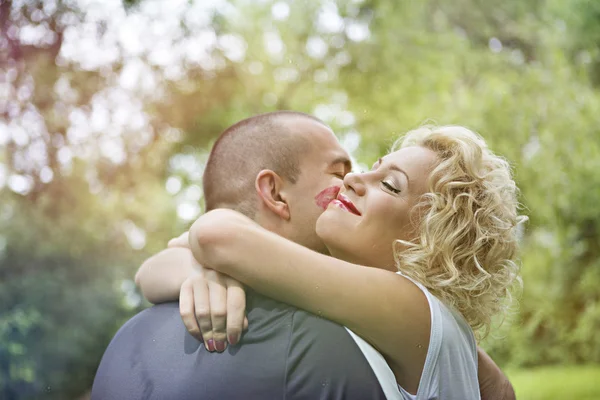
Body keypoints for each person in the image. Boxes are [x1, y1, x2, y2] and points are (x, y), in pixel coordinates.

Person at [141, 123, 524, 399]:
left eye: (390, 185)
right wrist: (201, 272)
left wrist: (210, 258)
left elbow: (215, 236)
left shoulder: (413, 309)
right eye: (372, 166)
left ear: (429, 240)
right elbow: (149, 272)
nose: (355, 179)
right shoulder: (413, 323)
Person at [92, 111, 392, 400]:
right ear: (274, 193)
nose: (351, 183)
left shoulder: (126, 340)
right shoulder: (324, 344)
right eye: (338, 172)